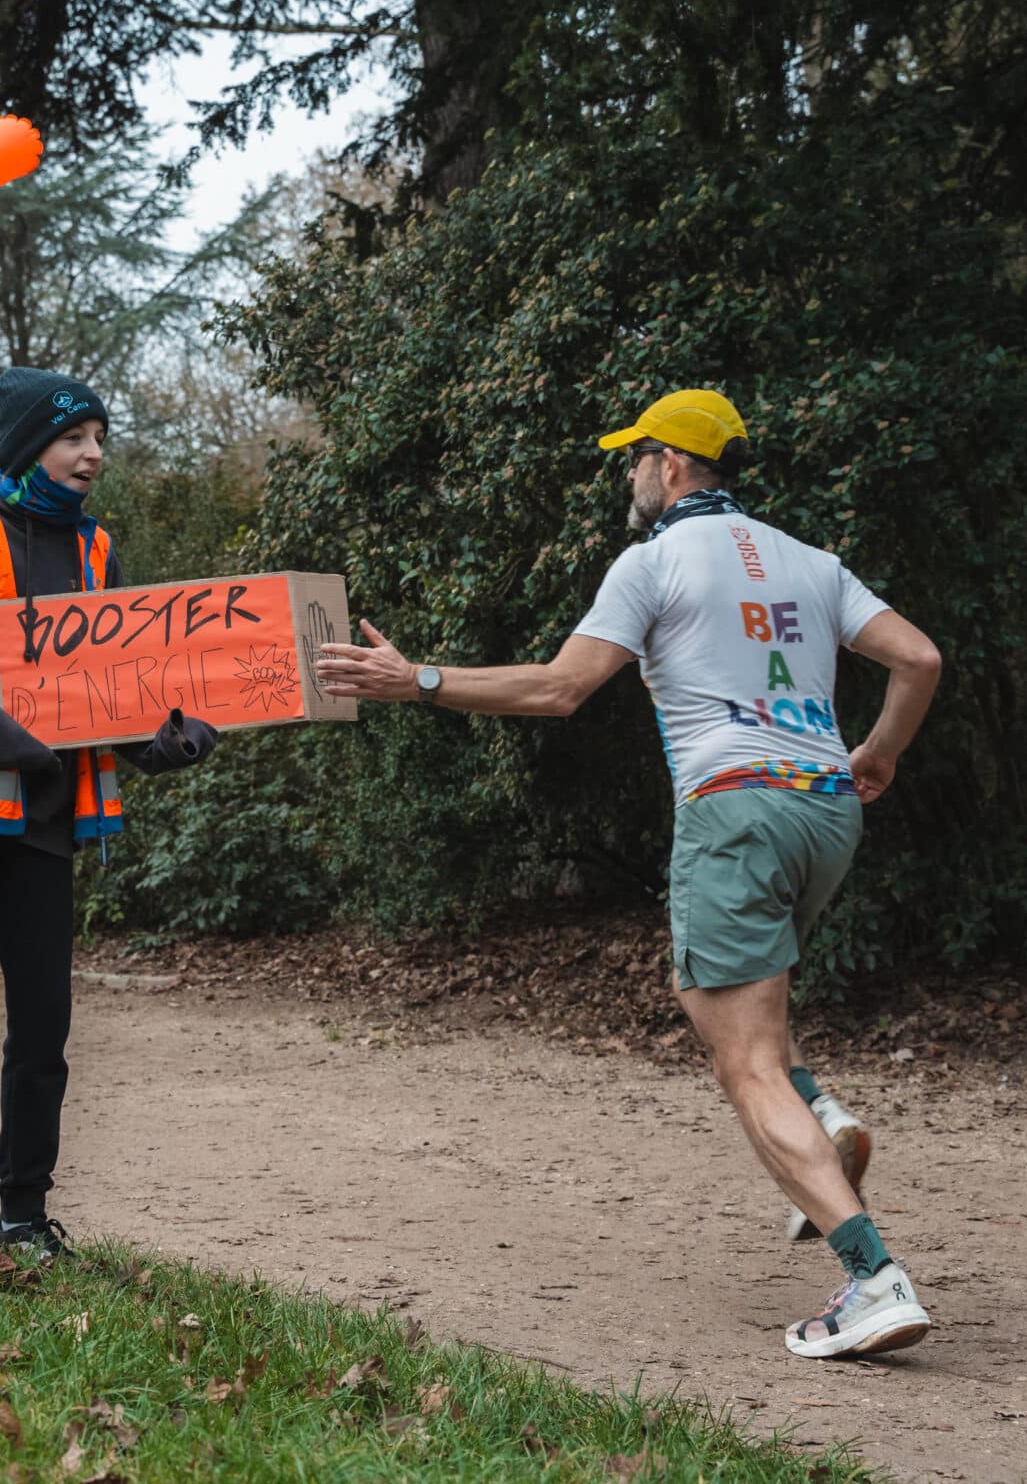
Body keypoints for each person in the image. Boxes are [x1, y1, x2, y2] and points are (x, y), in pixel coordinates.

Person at [313, 388, 945, 1360]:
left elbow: (561, 688)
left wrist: (417, 682)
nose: (628, 474)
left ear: (674, 466)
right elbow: (918, 656)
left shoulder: (651, 562)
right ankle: (819, 1112)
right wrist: (878, 754)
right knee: (732, 1010)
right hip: (822, 810)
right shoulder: (812, 563)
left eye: (635, 457)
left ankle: (871, 1276)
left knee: (742, 1060)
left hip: (734, 809)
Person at [0, 367, 218, 1265]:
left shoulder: (97, 553)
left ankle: (23, 1215)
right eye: (74, 438)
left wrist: (170, 740)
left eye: (100, 437)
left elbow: (113, 697)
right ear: (28, 445)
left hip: (46, 821)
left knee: (45, 1019)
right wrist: (21, 741)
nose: (94, 453)